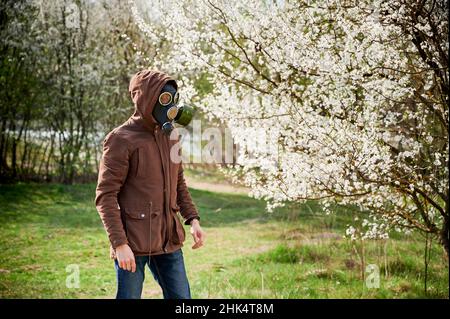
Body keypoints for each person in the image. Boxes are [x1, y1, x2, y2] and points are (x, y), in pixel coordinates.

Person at [95, 69, 205, 299]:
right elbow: (105, 196)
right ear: (145, 99)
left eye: (173, 99)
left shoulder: (171, 136)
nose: (171, 106)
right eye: (164, 98)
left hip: (168, 241)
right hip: (133, 243)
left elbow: (179, 183)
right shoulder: (120, 139)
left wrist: (192, 219)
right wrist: (119, 244)